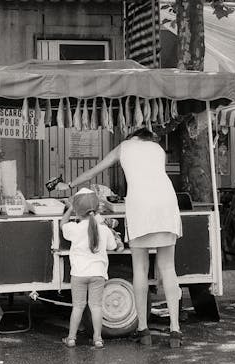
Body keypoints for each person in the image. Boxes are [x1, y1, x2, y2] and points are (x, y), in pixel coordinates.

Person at [56, 128, 183, 348]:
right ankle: (175, 330)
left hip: (140, 205)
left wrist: (69, 184)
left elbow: (94, 171)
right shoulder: (157, 148)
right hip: (167, 203)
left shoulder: (124, 147)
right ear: (148, 138)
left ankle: (143, 330)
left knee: (140, 269)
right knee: (168, 268)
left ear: (131, 137)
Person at [61, 188, 123, 349]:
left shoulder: (74, 229)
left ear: (77, 210)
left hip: (79, 274)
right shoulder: (103, 229)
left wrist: (69, 208)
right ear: (97, 209)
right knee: (96, 306)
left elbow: (63, 225)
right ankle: (97, 339)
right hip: (98, 274)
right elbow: (113, 246)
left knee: (78, 306)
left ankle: (71, 338)